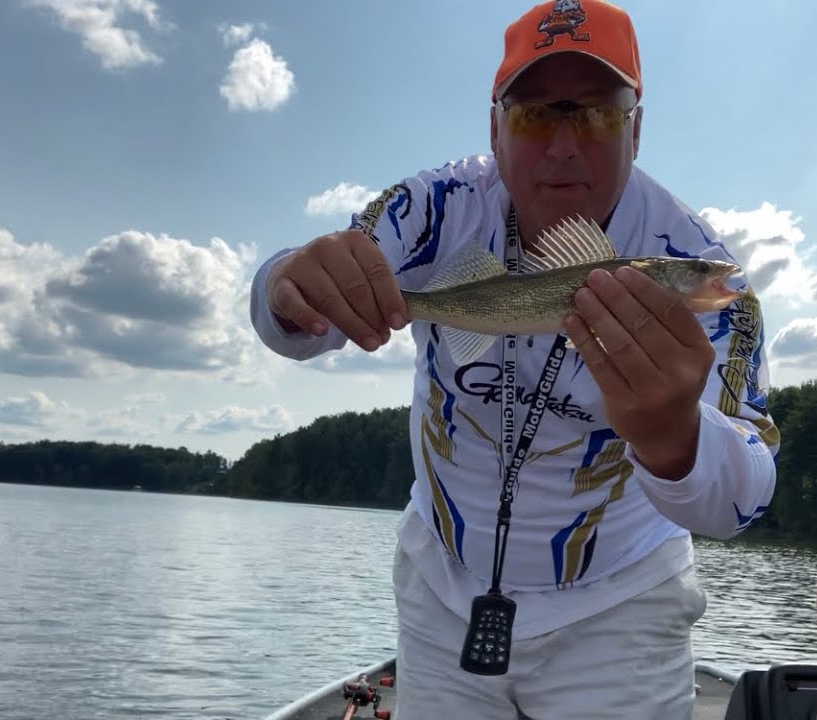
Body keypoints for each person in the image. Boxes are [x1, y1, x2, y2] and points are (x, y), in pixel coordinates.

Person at [248, 1, 780, 716]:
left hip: (622, 609)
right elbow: (298, 318)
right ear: (494, 127)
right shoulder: (431, 208)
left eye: (595, 115)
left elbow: (743, 496)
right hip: (441, 590)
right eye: (534, 115)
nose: (563, 145)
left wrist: (674, 437)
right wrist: (287, 286)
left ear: (637, 127)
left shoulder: (707, 274)